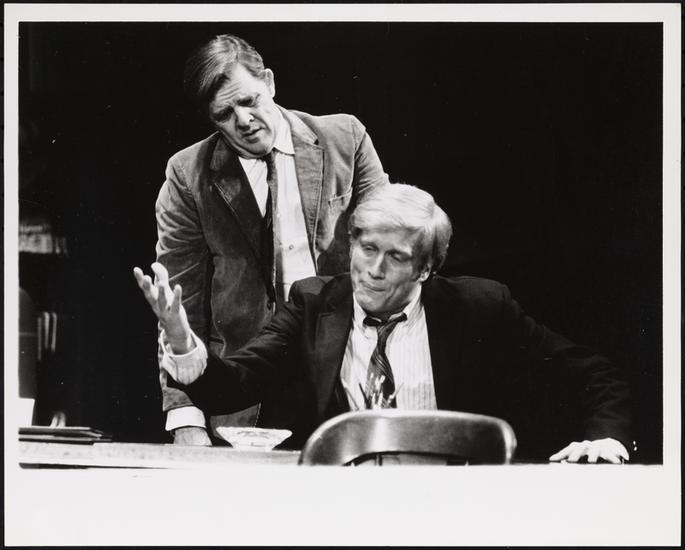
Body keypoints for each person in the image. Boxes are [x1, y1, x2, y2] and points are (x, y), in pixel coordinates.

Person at [136, 184, 632, 462]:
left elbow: (594, 373)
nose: (373, 270)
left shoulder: (479, 306)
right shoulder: (312, 303)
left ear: (426, 268)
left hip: (457, 510)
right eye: (367, 248)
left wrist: (607, 439)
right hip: (342, 512)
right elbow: (235, 385)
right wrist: (181, 338)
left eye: (396, 257)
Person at [155, 34, 388, 445]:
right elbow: (177, 302)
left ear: (269, 81)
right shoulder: (187, 174)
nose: (243, 120)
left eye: (249, 101)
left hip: (346, 374)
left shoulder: (345, 139)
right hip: (247, 389)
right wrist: (185, 414)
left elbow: (391, 239)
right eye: (224, 114)